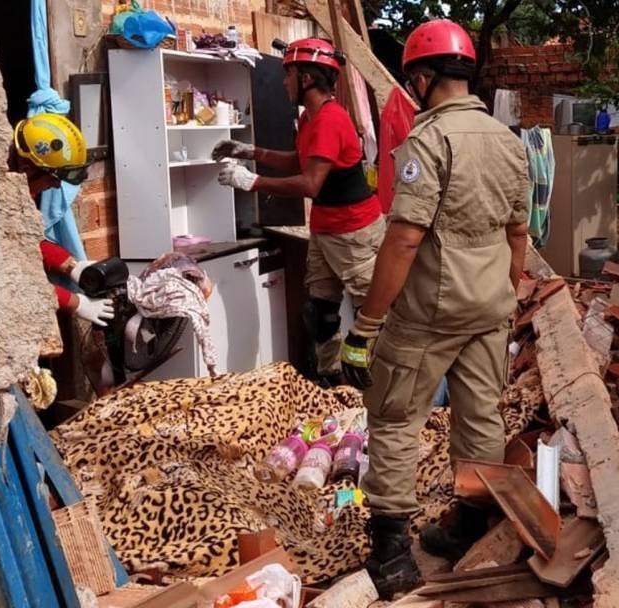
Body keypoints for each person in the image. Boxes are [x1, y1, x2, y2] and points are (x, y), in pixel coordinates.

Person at [339, 19, 530, 599]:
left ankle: (394, 553)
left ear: (421, 77)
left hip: (429, 312)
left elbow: (402, 240)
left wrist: (365, 328)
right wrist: (505, 294)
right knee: (480, 419)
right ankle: (470, 525)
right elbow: (519, 234)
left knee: (395, 417)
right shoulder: (509, 141)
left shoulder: (428, 142)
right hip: (489, 306)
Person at [213, 37, 383, 387]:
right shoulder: (310, 119)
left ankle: (381, 392)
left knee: (376, 318)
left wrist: (252, 182)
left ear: (306, 78)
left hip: (355, 234)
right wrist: (251, 151)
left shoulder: (330, 120)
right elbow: (301, 159)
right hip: (325, 230)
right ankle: (331, 384)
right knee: (320, 313)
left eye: (289, 75)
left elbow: (310, 184)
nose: (284, 82)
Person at [11, 113, 114, 327]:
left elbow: (27, 241)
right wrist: (76, 302)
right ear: (26, 170)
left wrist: (73, 266)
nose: (57, 186)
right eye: (54, 178)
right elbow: (18, 277)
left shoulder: (21, 189)